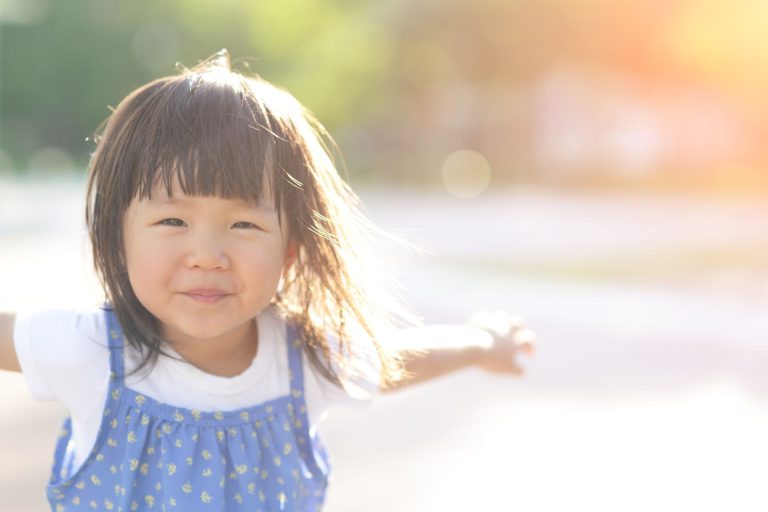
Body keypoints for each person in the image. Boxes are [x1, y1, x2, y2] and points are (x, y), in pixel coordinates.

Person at [0, 50, 534, 511]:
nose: (207, 256)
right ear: (118, 237)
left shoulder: (303, 359)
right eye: (172, 221)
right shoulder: (92, 350)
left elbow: (398, 358)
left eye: (244, 224)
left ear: (291, 251)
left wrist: (485, 344)